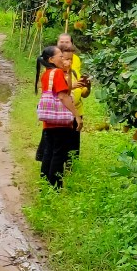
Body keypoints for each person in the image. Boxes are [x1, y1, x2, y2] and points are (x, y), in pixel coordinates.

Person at [34, 46, 79, 188]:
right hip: (61, 123)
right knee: (59, 155)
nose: (63, 59)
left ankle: (45, 185)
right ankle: (55, 187)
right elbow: (63, 96)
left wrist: (69, 71)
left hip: (49, 122)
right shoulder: (57, 73)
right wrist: (77, 116)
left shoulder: (47, 74)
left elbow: (66, 89)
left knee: (49, 153)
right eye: (60, 56)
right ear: (51, 59)